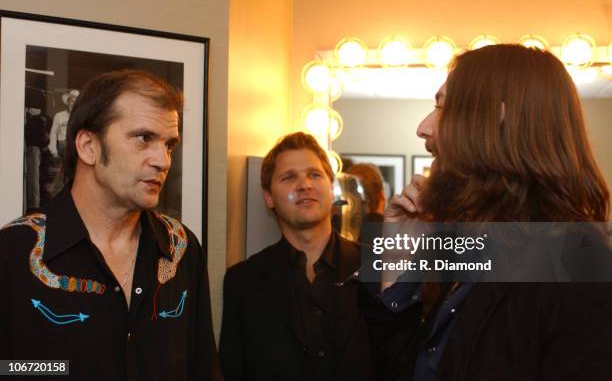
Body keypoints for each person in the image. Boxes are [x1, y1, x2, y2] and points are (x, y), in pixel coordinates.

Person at [361, 44, 611, 381]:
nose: (423, 128)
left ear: (498, 117)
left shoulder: (577, 264)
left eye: (442, 106)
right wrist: (397, 255)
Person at [0, 70, 222, 380]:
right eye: (144, 138)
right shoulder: (13, 253)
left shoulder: (181, 248)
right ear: (89, 146)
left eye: (169, 145)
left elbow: (202, 369)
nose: (163, 160)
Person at [220, 132, 376, 381]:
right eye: (289, 177)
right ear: (269, 197)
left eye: (315, 175)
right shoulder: (243, 282)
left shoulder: (375, 266)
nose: (305, 185)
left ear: (331, 187)